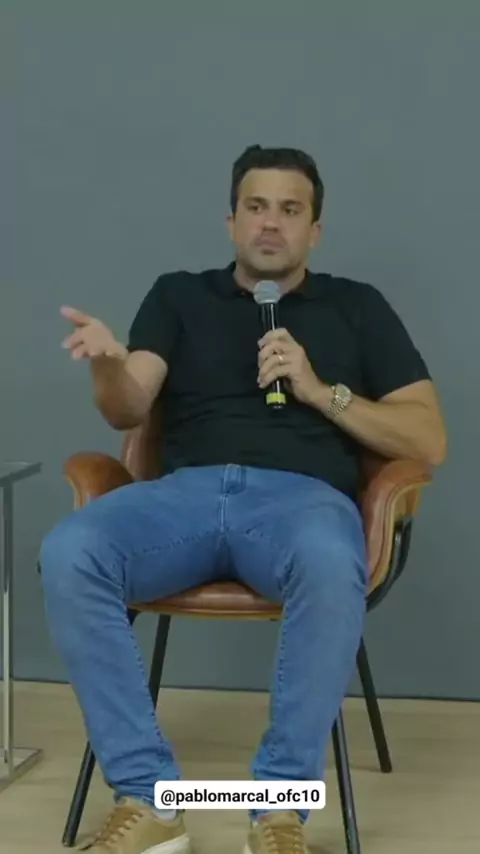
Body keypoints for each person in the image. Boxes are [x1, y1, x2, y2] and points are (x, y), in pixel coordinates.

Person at [40, 145, 447, 854]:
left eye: (290, 210)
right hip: (183, 498)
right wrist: (108, 366)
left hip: (301, 502)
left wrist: (321, 392)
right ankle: (150, 799)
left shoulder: (356, 306)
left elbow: (428, 438)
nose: (270, 223)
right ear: (232, 221)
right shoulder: (179, 296)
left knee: (330, 561)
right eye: (256, 207)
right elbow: (128, 405)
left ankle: (277, 810)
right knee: (70, 550)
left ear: (314, 230)